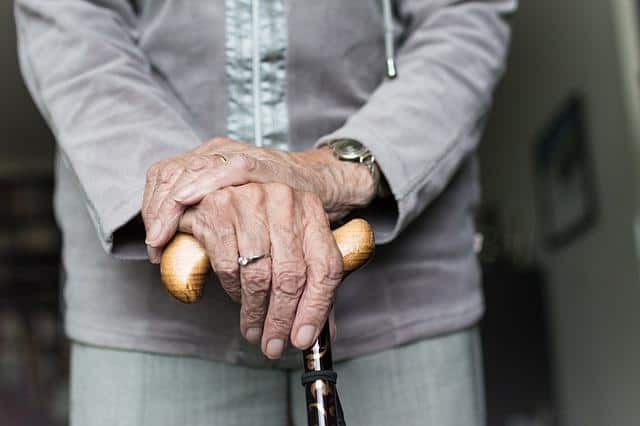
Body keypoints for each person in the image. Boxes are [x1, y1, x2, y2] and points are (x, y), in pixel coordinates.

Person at [15, 0, 516, 424]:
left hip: (403, 297)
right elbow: (72, 21)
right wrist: (201, 189)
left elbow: (460, 17)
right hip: (151, 312)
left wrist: (338, 169)